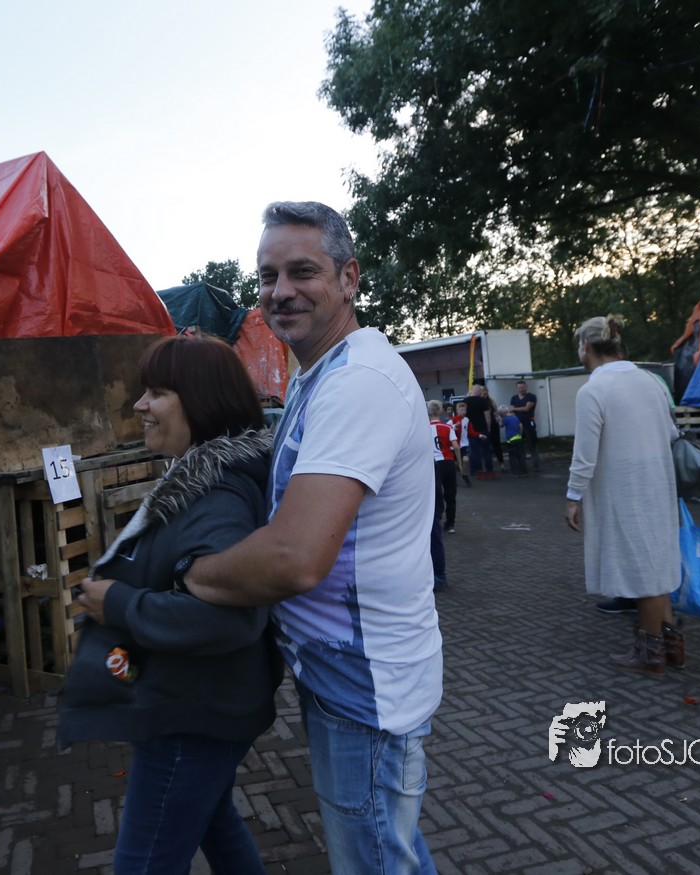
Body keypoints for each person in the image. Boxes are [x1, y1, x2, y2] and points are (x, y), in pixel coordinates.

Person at [183, 201, 442, 874]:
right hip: (345, 672)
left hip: (366, 687)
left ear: (349, 278)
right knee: (390, 845)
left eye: (303, 271)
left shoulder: (357, 381)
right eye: (267, 276)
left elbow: (295, 558)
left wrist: (187, 577)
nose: (280, 291)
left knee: (375, 858)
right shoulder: (320, 369)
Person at [59, 333, 282, 875]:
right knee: (214, 822)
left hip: (193, 716)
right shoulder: (201, 479)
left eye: (157, 392)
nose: (140, 405)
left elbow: (229, 618)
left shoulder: (217, 497)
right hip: (203, 703)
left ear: (201, 402)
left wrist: (120, 604)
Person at [564, 316, 684, 673]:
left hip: (624, 490)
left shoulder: (593, 391)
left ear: (586, 347)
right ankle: (673, 647)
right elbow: (671, 433)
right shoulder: (651, 382)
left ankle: (650, 653)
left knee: (641, 569)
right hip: (659, 485)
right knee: (656, 564)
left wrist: (573, 496)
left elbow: (585, 454)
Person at [430, 399, 459, 534]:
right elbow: (455, 446)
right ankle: (450, 523)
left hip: (434, 463)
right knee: (451, 493)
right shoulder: (448, 427)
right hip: (448, 461)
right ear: (441, 411)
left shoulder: (424, 428)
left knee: (436, 493)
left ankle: (436, 520)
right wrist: (459, 463)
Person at [465, 384, 496, 479]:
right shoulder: (483, 401)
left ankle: (477, 471)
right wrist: (488, 428)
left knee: (474, 451)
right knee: (486, 450)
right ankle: (489, 470)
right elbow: (487, 416)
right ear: (479, 392)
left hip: (471, 430)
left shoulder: (465, 401)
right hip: (482, 429)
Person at [509, 379, 540, 471]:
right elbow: (511, 410)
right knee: (519, 445)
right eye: (519, 387)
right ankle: (522, 465)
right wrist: (513, 412)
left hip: (529, 423)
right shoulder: (514, 398)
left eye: (523, 387)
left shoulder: (531, 396)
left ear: (526, 387)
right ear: (517, 388)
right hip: (518, 425)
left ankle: (536, 463)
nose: (521, 389)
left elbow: (526, 409)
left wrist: (514, 409)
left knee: (532, 444)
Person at [452, 400, 473, 487]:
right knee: (455, 463)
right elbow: (447, 427)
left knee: (466, 460)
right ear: (457, 411)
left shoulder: (467, 420)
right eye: (461, 410)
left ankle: (465, 475)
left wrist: (479, 435)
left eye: (464, 410)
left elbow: (470, 431)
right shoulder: (453, 420)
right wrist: (454, 427)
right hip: (455, 446)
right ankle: (455, 476)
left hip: (464, 444)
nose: (463, 412)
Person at [501, 405, 526, 476]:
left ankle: (515, 472)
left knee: (512, 456)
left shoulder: (505, 419)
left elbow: (501, 425)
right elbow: (521, 426)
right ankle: (524, 471)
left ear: (502, 414)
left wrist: (499, 418)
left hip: (511, 440)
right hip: (518, 438)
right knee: (520, 456)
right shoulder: (515, 417)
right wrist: (520, 434)